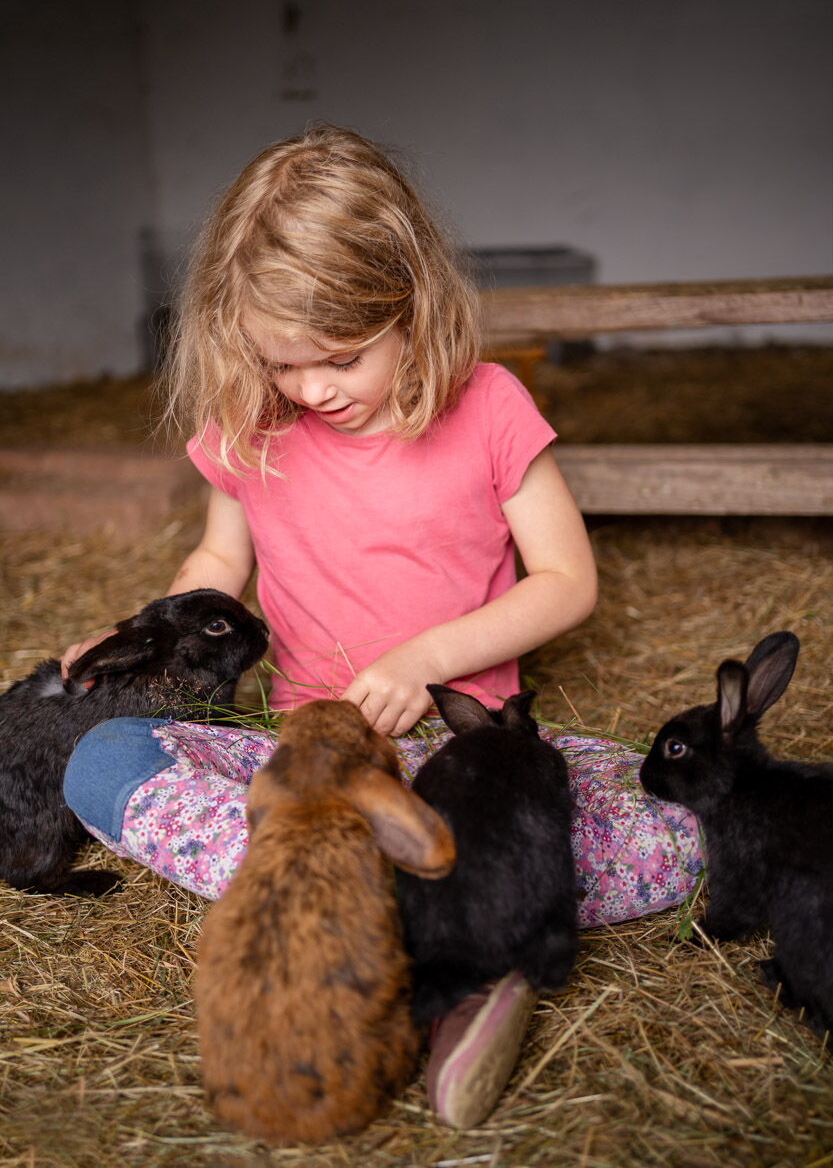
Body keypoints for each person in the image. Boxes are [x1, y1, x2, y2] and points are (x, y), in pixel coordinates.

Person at [61, 124, 702, 1130]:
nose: (312, 389)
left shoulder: (489, 407)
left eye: (341, 358)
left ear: (411, 304)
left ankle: (378, 921)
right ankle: (442, 920)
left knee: (687, 812)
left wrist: (426, 657)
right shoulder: (251, 422)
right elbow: (217, 568)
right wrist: (129, 639)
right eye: (282, 362)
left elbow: (566, 581)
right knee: (101, 761)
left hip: (460, 753)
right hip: (302, 767)